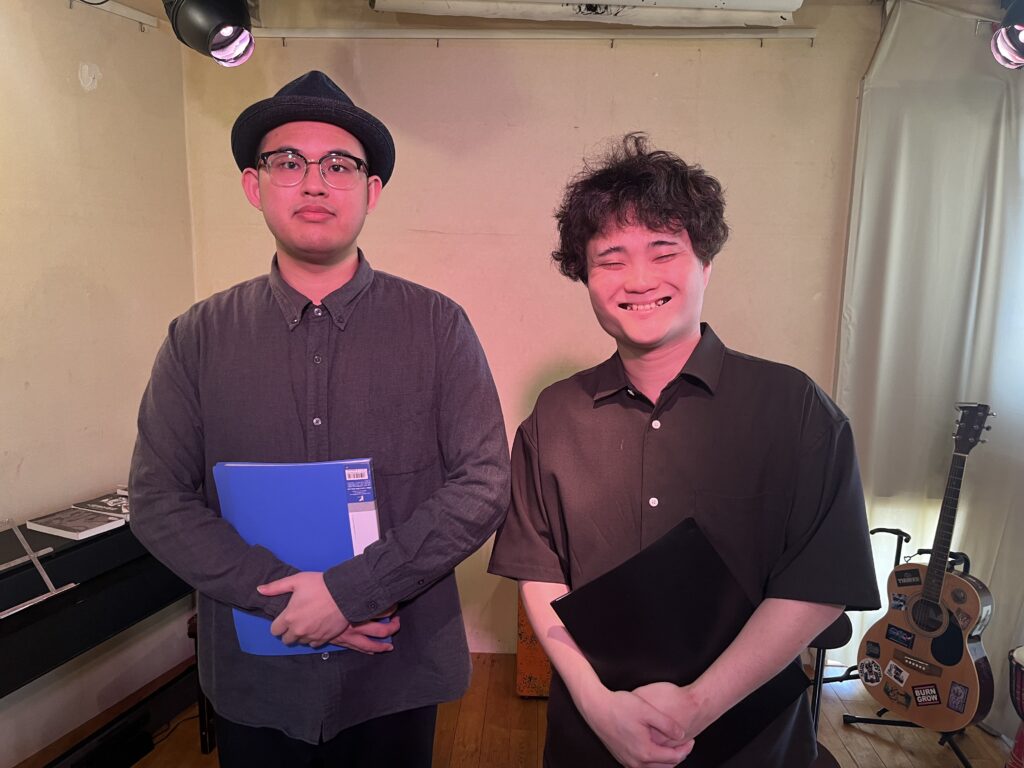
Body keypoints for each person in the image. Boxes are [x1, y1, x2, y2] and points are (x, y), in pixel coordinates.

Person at [130, 71, 510, 768]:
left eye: (339, 165)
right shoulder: (197, 337)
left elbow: (483, 484)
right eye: (288, 162)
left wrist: (348, 592)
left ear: (371, 191)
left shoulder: (437, 326)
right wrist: (287, 598)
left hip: (395, 673)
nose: (314, 183)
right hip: (256, 678)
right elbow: (157, 500)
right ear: (254, 185)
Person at [488, 133, 880, 768]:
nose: (639, 279)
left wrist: (696, 706)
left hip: (752, 745)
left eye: (664, 251)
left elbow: (820, 583)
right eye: (610, 259)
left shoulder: (795, 408)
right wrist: (597, 705)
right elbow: (539, 573)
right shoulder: (554, 416)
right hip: (592, 736)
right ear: (585, 277)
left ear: (705, 263)